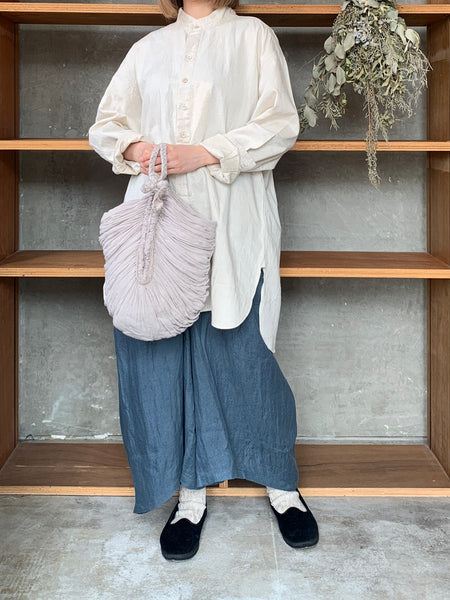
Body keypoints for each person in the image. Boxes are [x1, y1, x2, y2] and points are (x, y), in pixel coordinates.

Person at [88, 0, 319, 560]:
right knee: (169, 357)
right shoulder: (148, 49)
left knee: (244, 351)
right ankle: (190, 496)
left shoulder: (253, 37)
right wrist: (141, 149)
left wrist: (204, 152)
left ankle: (281, 486)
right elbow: (107, 126)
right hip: (160, 221)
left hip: (234, 216)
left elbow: (279, 124)